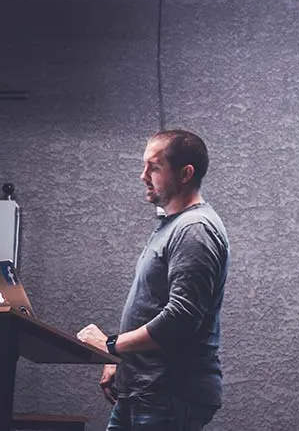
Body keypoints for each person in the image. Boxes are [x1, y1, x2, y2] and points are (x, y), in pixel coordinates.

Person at [77, 129, 230, 431]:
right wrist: (119, 356)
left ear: (186, 173)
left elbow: (180, 318)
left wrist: (111, 345)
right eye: (144, 165)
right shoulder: (171, 225)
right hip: (143, 389)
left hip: (169, 392)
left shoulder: (194, 229)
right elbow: (153, 306)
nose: (143, 175)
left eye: (155, 167)